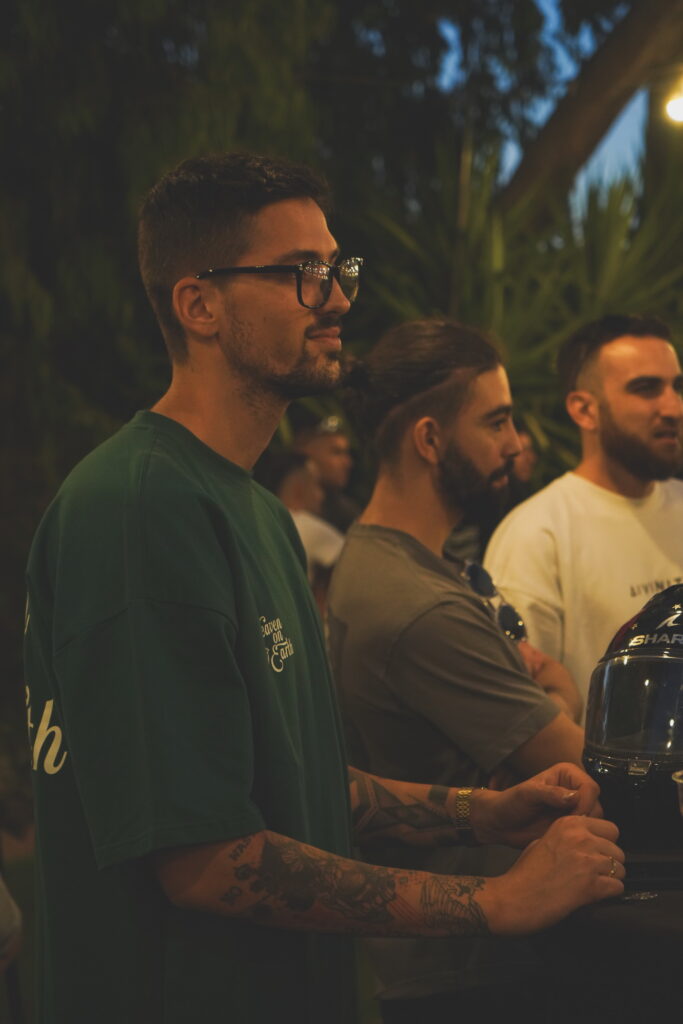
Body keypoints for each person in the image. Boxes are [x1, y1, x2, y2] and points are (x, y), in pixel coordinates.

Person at [24, 153, 624, 1024]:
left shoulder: (260, 514)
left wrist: (482, 813)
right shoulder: (138, 508)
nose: (338, 297)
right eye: (302, 272)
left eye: (339, 268)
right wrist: (492, 901)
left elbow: (297, 781)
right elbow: (206, 857)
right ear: (199, 305)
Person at [327, 319, 584, 1021]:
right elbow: (570, 763)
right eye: (496, 422)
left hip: (457, 952)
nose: (516, 444)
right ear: (430, 439)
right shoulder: (418, 604)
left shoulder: (396, 563)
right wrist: (556, 689)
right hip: (470, 969)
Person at [485, 314, 683, 711]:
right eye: (646, 389)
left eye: (677, 387)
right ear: (584, 410)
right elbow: (524, 715)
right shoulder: (536, 536)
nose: (673, 407)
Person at [255, 449, 344, 610]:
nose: (321, 496)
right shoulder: (305, 524)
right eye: (316, 485)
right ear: (298, 490)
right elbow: (352, 565)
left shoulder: (258, 523)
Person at [293, 413, 360, 531]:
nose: (348, 463)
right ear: (304, 451)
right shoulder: (272, 501)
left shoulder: (348, 515)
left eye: (346, 453)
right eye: (336, 452)